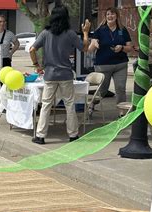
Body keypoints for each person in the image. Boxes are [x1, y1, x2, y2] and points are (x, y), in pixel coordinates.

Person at [29, 5, 91, 145]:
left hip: (50, 74)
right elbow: (85, 48)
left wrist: (36, 66)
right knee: (69, 104)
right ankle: (73, 134)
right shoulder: (70, 33)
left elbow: (32, 49)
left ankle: (40, 135)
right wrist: (85, 32)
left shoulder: (45, 33)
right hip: (66, 74)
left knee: (46, 105)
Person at [88, 7, 133, 109]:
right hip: (103, 65)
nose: (110, 16)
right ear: (105, 17)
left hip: (120, 65)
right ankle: (91, 105)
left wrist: (122, 48)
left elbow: (129, 48)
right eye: (108, 14)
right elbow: (90, 49)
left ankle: (122, 113)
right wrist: (94, 43)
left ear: (117, 16)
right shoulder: (100, 30)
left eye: (112, 14)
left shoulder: (122, 30)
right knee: (103, 90)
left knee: (120, 89)